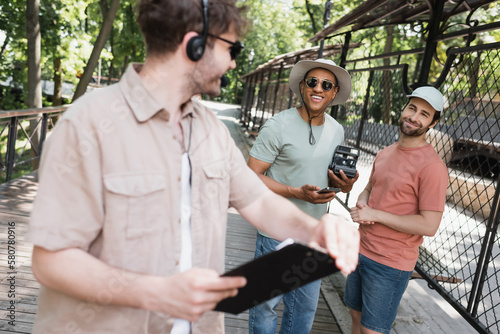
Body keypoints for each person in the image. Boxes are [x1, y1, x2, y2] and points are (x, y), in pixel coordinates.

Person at [26, 1, 360, 333]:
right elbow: (50, 261)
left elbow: (256, 199)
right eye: (232, 48)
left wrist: (314, 232)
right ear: (194, 44)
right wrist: (157, 293)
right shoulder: (87, 125)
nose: (233, 62)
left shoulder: (210, 129)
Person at [247, 58, 359, 334]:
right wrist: (295, 192)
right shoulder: (277, 126)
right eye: (312, 82)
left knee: (304, 309)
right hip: (276, 229)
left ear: (334, 94)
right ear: (302, 87)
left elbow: (330, 175)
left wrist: (345, 185)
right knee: (265, 305)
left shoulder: (337, 130)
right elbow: (250, 176)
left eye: (326, 84)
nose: (317, 88)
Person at [344, 86, 449, 334]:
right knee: (355, 316)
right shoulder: (385, 153)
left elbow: (429, 225)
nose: (414, 116)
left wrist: (375, 215)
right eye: (412, 108)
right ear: (403, 110)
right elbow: (369, 189)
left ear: (432, 123)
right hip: (361, 250)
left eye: (424, 114)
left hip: (390, 264)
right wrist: (363, 202)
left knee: (373, 330)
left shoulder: (432, 167)